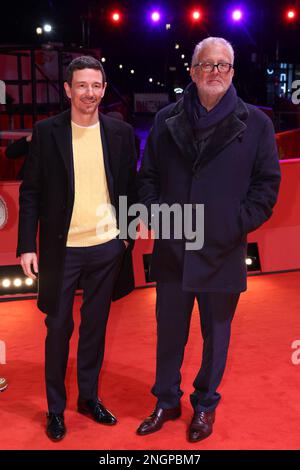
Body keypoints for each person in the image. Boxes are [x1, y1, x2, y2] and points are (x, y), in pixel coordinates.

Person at [137, 37, 281, 442]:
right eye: (206, 64)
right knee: (169, 334)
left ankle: (204, 406)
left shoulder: (257, 123)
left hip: (222, 250)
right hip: (173, 248)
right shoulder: (166, 119)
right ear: (193, 71)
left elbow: (267, 185)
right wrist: (158, 219)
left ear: (232, 72)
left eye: (222, 65)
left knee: (216, 337)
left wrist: (234, 224)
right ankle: (165, 400)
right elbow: (146, 179)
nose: (214, 72)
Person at [17, 56, 137, 441]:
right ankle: (55, 408)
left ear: (104, 89)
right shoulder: (48, 131)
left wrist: (126, 236)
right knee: (58, 329)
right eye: (82, 85)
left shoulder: (120, 132)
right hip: (61, 250)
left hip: (106, 248)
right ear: (68, 89)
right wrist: (26, 246)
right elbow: (31, 192)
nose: (90, 93)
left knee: (95, 330)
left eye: (97, 86)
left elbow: (129, 189)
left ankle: (88, 398)